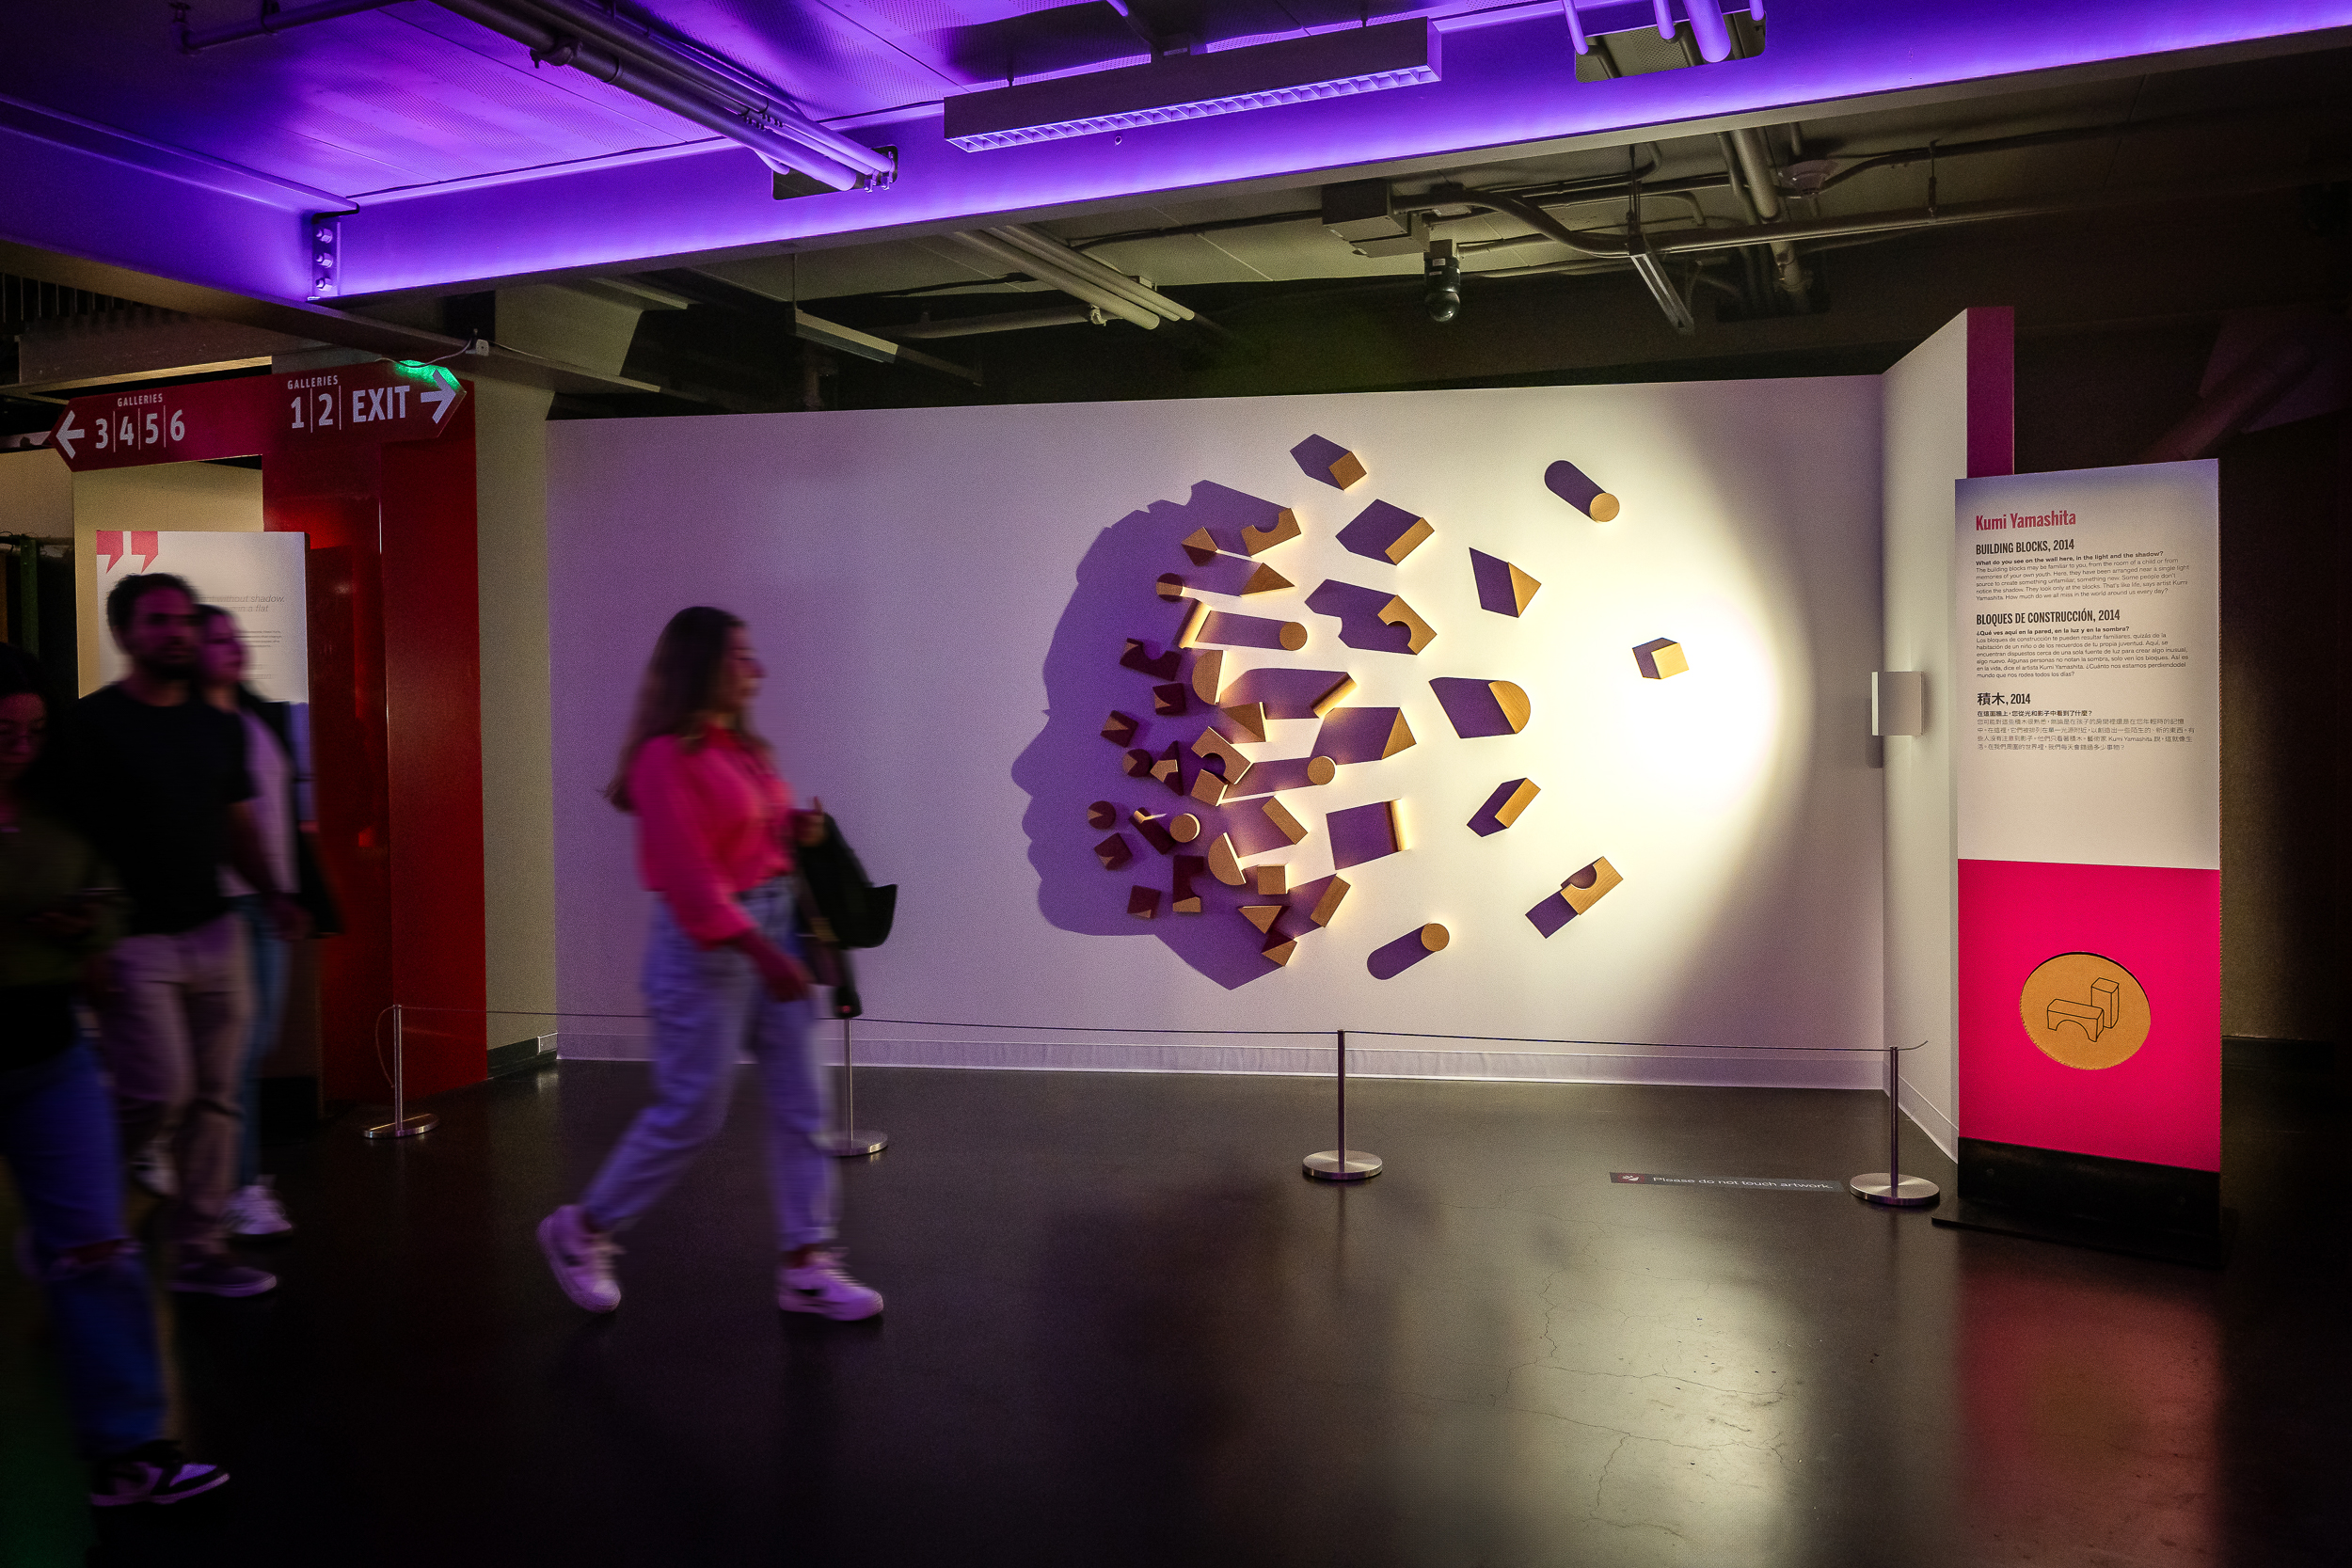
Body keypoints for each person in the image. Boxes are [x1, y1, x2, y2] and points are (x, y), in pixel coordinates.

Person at [537, 607, 882, 1321]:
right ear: (703, 665)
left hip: (771, 926)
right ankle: (582, 1229)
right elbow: (693, 883)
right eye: (741, 656)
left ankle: (806, 1264)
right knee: (692, 1111)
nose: (756, 670)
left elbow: (749, 840)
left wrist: (793, 829)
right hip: (708, 950)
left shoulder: (744, 748)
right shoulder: (666, 758)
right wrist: (760, 949)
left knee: (802, 1103)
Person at [1, 642, 230, 1505]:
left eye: (32, 731)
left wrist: (83, 929)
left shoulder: (64, 807)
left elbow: (112, 902)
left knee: (100, 1248)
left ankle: (132, 1449)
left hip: (50, 1052)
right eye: (3, 731)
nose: (19, 745)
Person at [45, 574, 307, 1298]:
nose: (178, 633)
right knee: (158, 1091)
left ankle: (198, 1248)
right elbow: (68, 834)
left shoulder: (216, 725)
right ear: (126, 634)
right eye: (160, 622)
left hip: (216, 930)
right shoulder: (91, 726)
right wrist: (89, 934)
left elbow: (237, 823)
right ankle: (71, 1214)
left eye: (186, 620)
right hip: (136, 938)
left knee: (220, 1096)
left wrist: (279, 894)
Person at [196, 605, 338, 1240]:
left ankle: (229, 1177)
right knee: (237, 1051)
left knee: (247, 1050)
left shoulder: (257, 716)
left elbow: (282, 811)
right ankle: (238, 1183)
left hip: (265, 901)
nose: (234, 645)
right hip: (221, 904)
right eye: (217, 637)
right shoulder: (194, 724)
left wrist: (293, 892)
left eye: (234, 634)